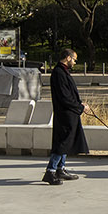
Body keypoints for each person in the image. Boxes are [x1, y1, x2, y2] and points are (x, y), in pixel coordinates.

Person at [45, 47, 88, 186]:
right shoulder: (59, 73)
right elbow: (65, 97)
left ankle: (60, 168)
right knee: (62, 142)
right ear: (68, 58)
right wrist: (80, 107)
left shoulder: (63, 72)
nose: (75, 62)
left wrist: (80, 105)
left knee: (66, 141)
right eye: (74, 59)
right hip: (65, 114)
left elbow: (69, 95)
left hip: (70, 113)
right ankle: (50, 171)